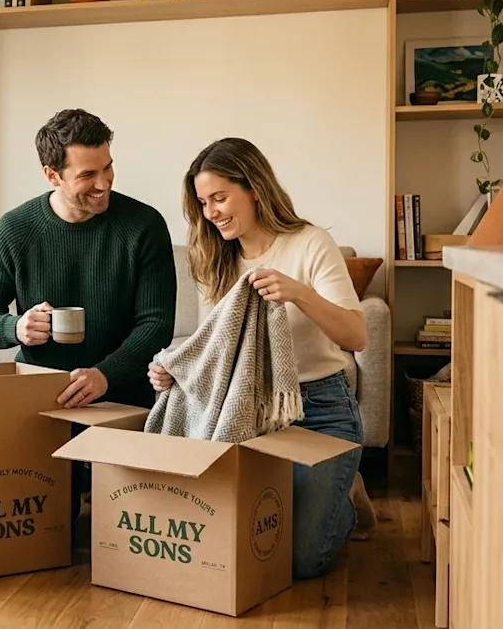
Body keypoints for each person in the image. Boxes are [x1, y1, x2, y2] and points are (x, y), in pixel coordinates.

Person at [147, 136, 378, 579]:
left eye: (220, 197)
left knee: (302, 560)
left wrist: (300, 293)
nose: (211, 212)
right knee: (239, 543)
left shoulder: (310, 243)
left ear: (253, 187)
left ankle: (346, 496)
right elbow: (214, 348)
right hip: (246, 412)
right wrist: (172, 370)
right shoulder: (214, 257)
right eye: (203, 202)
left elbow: (357, 335)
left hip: (319, 410)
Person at [0, 108, 178, 524]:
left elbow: (155, 324)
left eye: (108, 168)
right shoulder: (15, 229)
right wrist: (16, 327)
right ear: (52, 175)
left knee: (116, 527)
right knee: (46, 526)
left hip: (123, 395)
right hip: (40, 400)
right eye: (86, 175)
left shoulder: (144, 225)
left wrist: (105, 374)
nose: (103, 184)